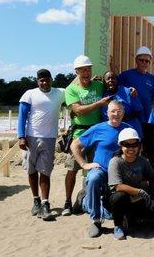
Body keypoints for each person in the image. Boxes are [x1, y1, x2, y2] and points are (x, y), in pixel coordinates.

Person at [70, 100, 131, 237]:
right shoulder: (98, 129)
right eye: (113, 111)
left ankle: (120, 220)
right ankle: (96, 220)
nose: (116, 114)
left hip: (120, 171)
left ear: (123, 113)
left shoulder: (128, 129)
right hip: (101, 169)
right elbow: (75, 145)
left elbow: (136, 148)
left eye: (119, 111)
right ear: (107, 113)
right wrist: (84, 164)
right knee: (93, 178)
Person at [62, 55, 110, 217]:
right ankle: (67, 201)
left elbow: (112, 86)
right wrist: (98, 103)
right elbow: (78, 110)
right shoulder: (71, 90)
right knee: (72, 169)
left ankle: (91, 200)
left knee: (96, 169)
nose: (86, 72)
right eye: (82, 70)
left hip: (96, 135)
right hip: (79, 134)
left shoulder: (98, 85)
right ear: (76, 71)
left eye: (88, 69)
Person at [17, 68, 65, 221]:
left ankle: (45, 204)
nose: (44, 82)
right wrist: (21, 137)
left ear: (51, 80)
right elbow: (22, 116)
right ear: (37, 81)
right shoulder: (30, 94)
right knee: (32, 170)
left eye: (47, 79)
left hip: (49, 138)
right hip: (31, 137)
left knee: (45, 171)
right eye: (41, 80)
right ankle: (36, 200)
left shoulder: (59, 93)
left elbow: (74, 88)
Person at [106, 128, 154, 240]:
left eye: (134, 145)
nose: (131, 148)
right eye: (126, 145)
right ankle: (118, 226)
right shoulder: (115, 162)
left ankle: (131, 218)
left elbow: (153, 178)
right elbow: (117, 186)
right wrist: (139, 191)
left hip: (138, 199)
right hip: (119, 200)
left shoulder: (143, 161)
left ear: (138, 145)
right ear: (121, 145)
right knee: (119, 197)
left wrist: (153, 195)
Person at [118, 46, 154, 165]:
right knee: (132, 148)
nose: (144, 63)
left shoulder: (151, 79)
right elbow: (114, 87)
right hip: (132, 119)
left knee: (150, 149)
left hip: (147, 120)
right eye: (141, 60)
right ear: (136, 60)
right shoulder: (127, 75)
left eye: (147, 61)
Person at [102, 71, 143, 138]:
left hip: (131, 131)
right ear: (104, 82)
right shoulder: (103, 95)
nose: (110, 80)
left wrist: (120, 117)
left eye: (113, 78)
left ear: (117, 80)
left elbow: (138, 110)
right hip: (113, 133)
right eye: (108, 79)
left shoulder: (128, 92)